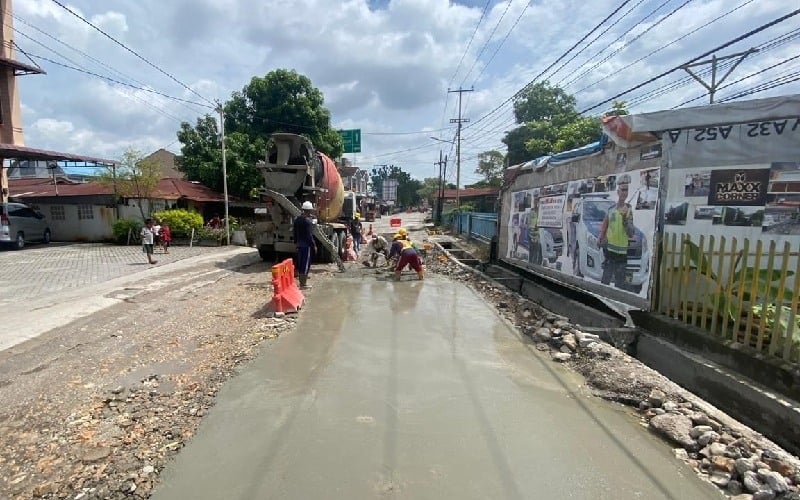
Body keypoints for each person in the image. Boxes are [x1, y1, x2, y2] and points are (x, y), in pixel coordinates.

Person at [598, 175, 635, 290]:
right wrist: (600, 239)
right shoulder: (611, 209)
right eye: (623, 190)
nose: (625, 192)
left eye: (627, 190)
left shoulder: (629, 211)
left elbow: (630, 233)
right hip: (610, 253)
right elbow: (604, 227)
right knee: (605, 282)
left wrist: (625, 219)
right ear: (618, 192)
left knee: (619, 286)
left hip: (622, 254)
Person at [293, 201, 317, 289]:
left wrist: (296, 243)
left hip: (299, 244)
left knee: (301, 263)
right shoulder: (307, 222)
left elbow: (295, 233)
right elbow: (309, 235)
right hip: (306, 246)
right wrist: (314, 245)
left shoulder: (297, 220)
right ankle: (303, 284)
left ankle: (301, 280)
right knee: (306, 264)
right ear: (309, 211)